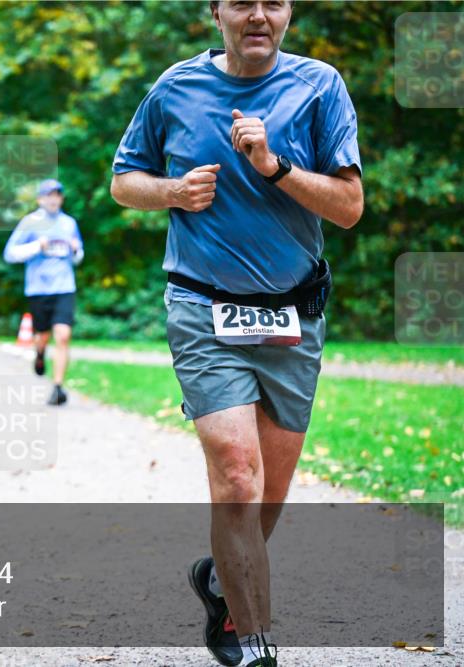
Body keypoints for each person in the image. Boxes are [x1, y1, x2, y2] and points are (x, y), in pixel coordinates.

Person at [109, 1, 362, 665]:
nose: (258, 15)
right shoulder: (176, 88)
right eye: (242, 1)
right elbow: (122, 182)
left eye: (272, 2)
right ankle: (250, 638)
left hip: (293, 314)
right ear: (214, 12)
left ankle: (221, 583)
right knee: (238, 475)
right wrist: (171, 192)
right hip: (202, 308)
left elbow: (350, 207)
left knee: (268, 495)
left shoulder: (319, 87)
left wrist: (274, 166)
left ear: (288, 13)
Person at [3, 179, 84, 406]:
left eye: (57, 194)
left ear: (61, 198)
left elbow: (78, 256)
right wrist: (36, 246)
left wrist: (77, 250)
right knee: (42, 336)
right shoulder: (30, 223)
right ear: (40, 199)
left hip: (64, 287)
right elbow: (9, 254)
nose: (53, 198)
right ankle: (39, 353)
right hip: (38, 289)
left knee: (63, 335)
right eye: (48, 195)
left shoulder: (69, 223)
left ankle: (57, 387)